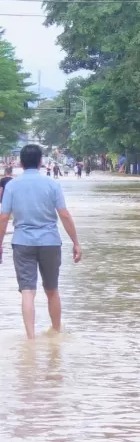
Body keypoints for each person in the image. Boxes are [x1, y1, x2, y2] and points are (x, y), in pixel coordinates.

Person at [0, 145, 83, 339]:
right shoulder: (52, 184)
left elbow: (4, 218)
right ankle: (55, 332)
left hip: (22, 242)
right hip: (50, 242)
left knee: (27, 291)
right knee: (52, 289)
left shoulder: (12, 185)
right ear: (40, 162)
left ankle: (30, 338)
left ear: (20, 162)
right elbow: (63, 214)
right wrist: (76, 242)